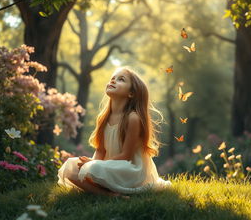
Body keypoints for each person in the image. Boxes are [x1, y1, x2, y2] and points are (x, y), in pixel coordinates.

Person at [57, 66, 172, 198]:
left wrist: (94, 166)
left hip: (130, 169)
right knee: (71, 165)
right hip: (108, 166)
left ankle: (103, 188)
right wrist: (91, 164)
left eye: (120, 79)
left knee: (94, 168)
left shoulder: (132, 118)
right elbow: (100, 150)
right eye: (112, 78)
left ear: (131, 93)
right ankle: (109, 194)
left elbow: (126, 156)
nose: (113, 81)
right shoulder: (103, 118)